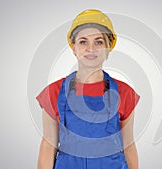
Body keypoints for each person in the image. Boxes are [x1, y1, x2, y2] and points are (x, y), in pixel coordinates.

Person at [36, 9, 140, 169]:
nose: (91, 49)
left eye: (98, 42)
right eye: (83, 42)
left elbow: (129, 146)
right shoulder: (54, 92)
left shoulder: (124, 93)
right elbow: (48, 146)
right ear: (73, 47)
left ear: (108, 47)